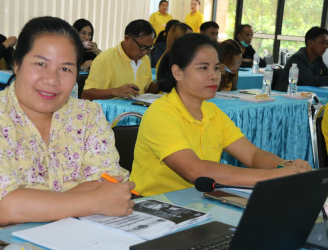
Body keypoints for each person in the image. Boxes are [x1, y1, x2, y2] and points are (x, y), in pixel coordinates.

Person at [0, 16, 135, 234]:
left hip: (73, 239)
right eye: (41, 64)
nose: (52, 80)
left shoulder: (87, 115)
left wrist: (33, 204)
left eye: (65, 69)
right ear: (16, 64)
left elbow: (108, 182)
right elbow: (3, 207)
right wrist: (94, 201)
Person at [129, 33, 311, 196]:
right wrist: (273, 176)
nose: (214, 76)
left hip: (200, 202)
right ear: (177, 72)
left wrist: (286, 166)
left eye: (216, 68)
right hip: (154, 206)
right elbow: (195, 170)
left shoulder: (212, 112)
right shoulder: (160, 114)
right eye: (203, 68)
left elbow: (252, 155)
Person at [81, 19, 158, 100]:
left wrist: (163, 83)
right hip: (112, 112)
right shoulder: (105, 59)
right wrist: (115, 91)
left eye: (149, 48)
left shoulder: (144, 59)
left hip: (137, 111)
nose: (145, 52)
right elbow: (86, 95)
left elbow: (146, 91)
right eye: (142, 47)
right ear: (127, 38)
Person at [275, 26, 328, 92]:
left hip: (304, 95)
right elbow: (309, 80)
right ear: (310, 42)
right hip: (286, 95)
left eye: (327, 43)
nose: (326, 46)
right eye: (322, 42)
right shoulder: (298, 58)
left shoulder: (318, 59)